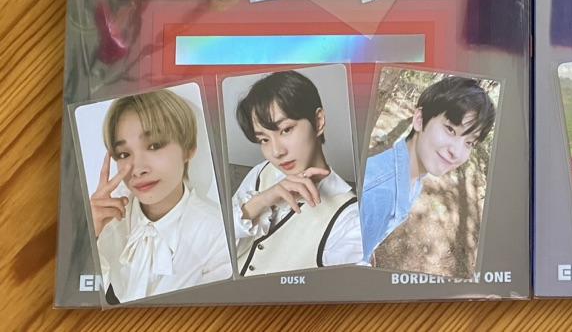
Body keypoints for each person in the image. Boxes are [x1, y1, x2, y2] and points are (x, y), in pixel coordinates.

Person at [89, 90, 232, 303]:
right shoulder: (106, 219)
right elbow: (84, 296)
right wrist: (87, 238)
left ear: (188, 149)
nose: (138, 169)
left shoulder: (218, 235)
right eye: (124, 154)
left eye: (154, 146)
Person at [231, 71, 363, 276]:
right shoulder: (262, 172)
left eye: (286, 130)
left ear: (318, 121)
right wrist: (261, 201)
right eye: (264, 139)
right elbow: (215, 248)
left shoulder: (349, 219)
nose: (276, 152)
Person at [360, 75, 497, 262]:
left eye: (469, 143)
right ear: (419, 119)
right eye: (450, 129)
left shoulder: (415, 178)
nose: (457, 152)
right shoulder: (376, 194)